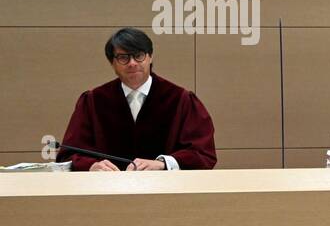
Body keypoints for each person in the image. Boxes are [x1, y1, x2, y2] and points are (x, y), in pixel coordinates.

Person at [57, 28, 217, 171]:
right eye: (123, 57)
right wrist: (92, 165)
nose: (132, 63)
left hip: (168, 194)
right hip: (106, 195)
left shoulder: (181, 99)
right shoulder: (93, 101)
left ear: (150, 57)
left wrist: (163, 163)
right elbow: (69, 153)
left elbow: (203, 153)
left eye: (139, 56)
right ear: (112, 63)